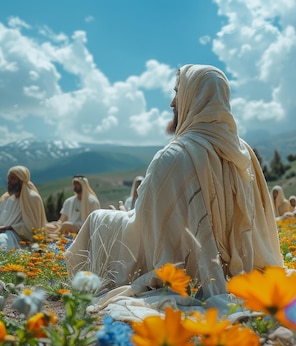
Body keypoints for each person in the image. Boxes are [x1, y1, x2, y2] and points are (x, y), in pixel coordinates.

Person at [64, 64, 284, 304]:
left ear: (193, 96)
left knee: (98, 219)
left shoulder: (174, 156)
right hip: (247, 278)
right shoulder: (244, 152)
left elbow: (144, 230)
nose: (172, 102)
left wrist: (104, 219)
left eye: (177, 92)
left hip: (183, 279)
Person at [0, 166, 47, 251]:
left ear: (21, 181)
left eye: (13, 179)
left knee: (2, 238)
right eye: (8, 179)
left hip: (19, 237)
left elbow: (32, 226)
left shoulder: (32, 198)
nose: (9, 182)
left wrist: (7, 228)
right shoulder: (5, 199)